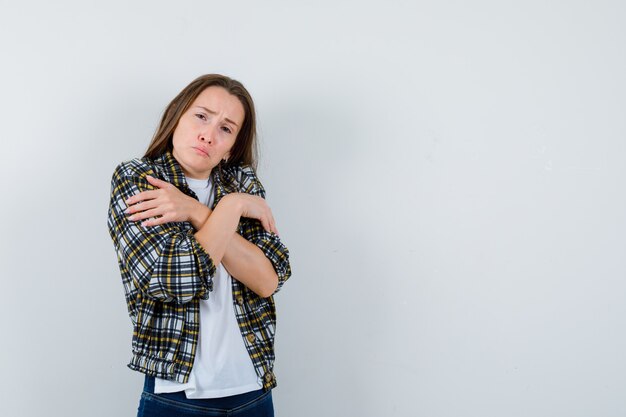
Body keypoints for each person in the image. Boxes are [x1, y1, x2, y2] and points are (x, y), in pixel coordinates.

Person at [107, 74, 292, 417]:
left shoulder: (241, 184)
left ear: (231, 148)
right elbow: (174, 279)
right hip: (175, 395)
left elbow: (267, 280)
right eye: (202, 116)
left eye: (226, 128)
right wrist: (233, 209)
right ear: (177, 116)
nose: (208, 134)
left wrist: (200, 209)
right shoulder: (137, 179)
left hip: (252, 389)